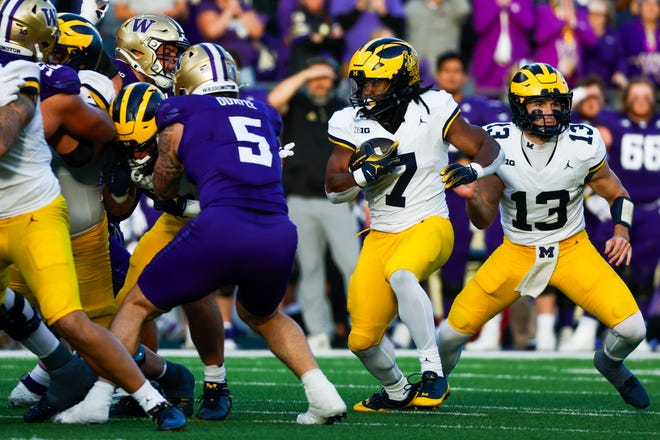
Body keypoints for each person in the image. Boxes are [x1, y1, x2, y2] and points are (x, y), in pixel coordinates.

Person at [80, 42, 348, 425]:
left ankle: (99, 397)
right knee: (264, 315)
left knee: (136, 306)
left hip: (221, 223)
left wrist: (159, 186)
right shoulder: (265, 112)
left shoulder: (181, 108)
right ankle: (322, 394)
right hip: (277, 230)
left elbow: (169, 174)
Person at [0, 0, 186, 430]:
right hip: (33, 211)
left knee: (91, 322)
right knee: (32, 311)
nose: (57, 59)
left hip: (64, 217)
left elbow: (90, 141)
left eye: (64, 53)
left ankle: (157, 383)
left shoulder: (79, 83)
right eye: (55, 51)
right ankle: (59, 368)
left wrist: (58, 97)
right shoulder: (49, 76)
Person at [436, 62, 650, 409]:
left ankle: (610, 363)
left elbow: (618, 193)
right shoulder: (497, 143)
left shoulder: (583, 142)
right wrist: (474, 198)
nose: (548, 113)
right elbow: (484, 218)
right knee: (447, 337)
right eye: (538, 105)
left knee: (633, 330)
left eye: (554, 104)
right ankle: (436, 385)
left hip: (572, 249)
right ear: (520, 107)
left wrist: (621, 230)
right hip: (516, 252)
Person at [324, 37, 504, 412]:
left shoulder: (434, 106)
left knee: (404, 274)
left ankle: (433, 372)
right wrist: (363, 176)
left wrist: (472, 168)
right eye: (363, 82)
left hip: (429, 222)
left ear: (403, 80)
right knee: (361, 340)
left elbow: (488, 145)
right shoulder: (348, 120)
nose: (367, 90)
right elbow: (333, 190)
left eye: (377, 82)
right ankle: (397, 390)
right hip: (380, 235)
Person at [268, 56, 360, 351]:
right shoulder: (295, 106)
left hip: (337, 201)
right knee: (310, 268)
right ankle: (318, 332)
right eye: (315, 78)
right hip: (299, 200)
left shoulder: (344, 111)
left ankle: (364, 325)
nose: (320, 83)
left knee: (353, 266)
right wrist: (308, 71)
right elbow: (273, 100)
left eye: (325, 77)